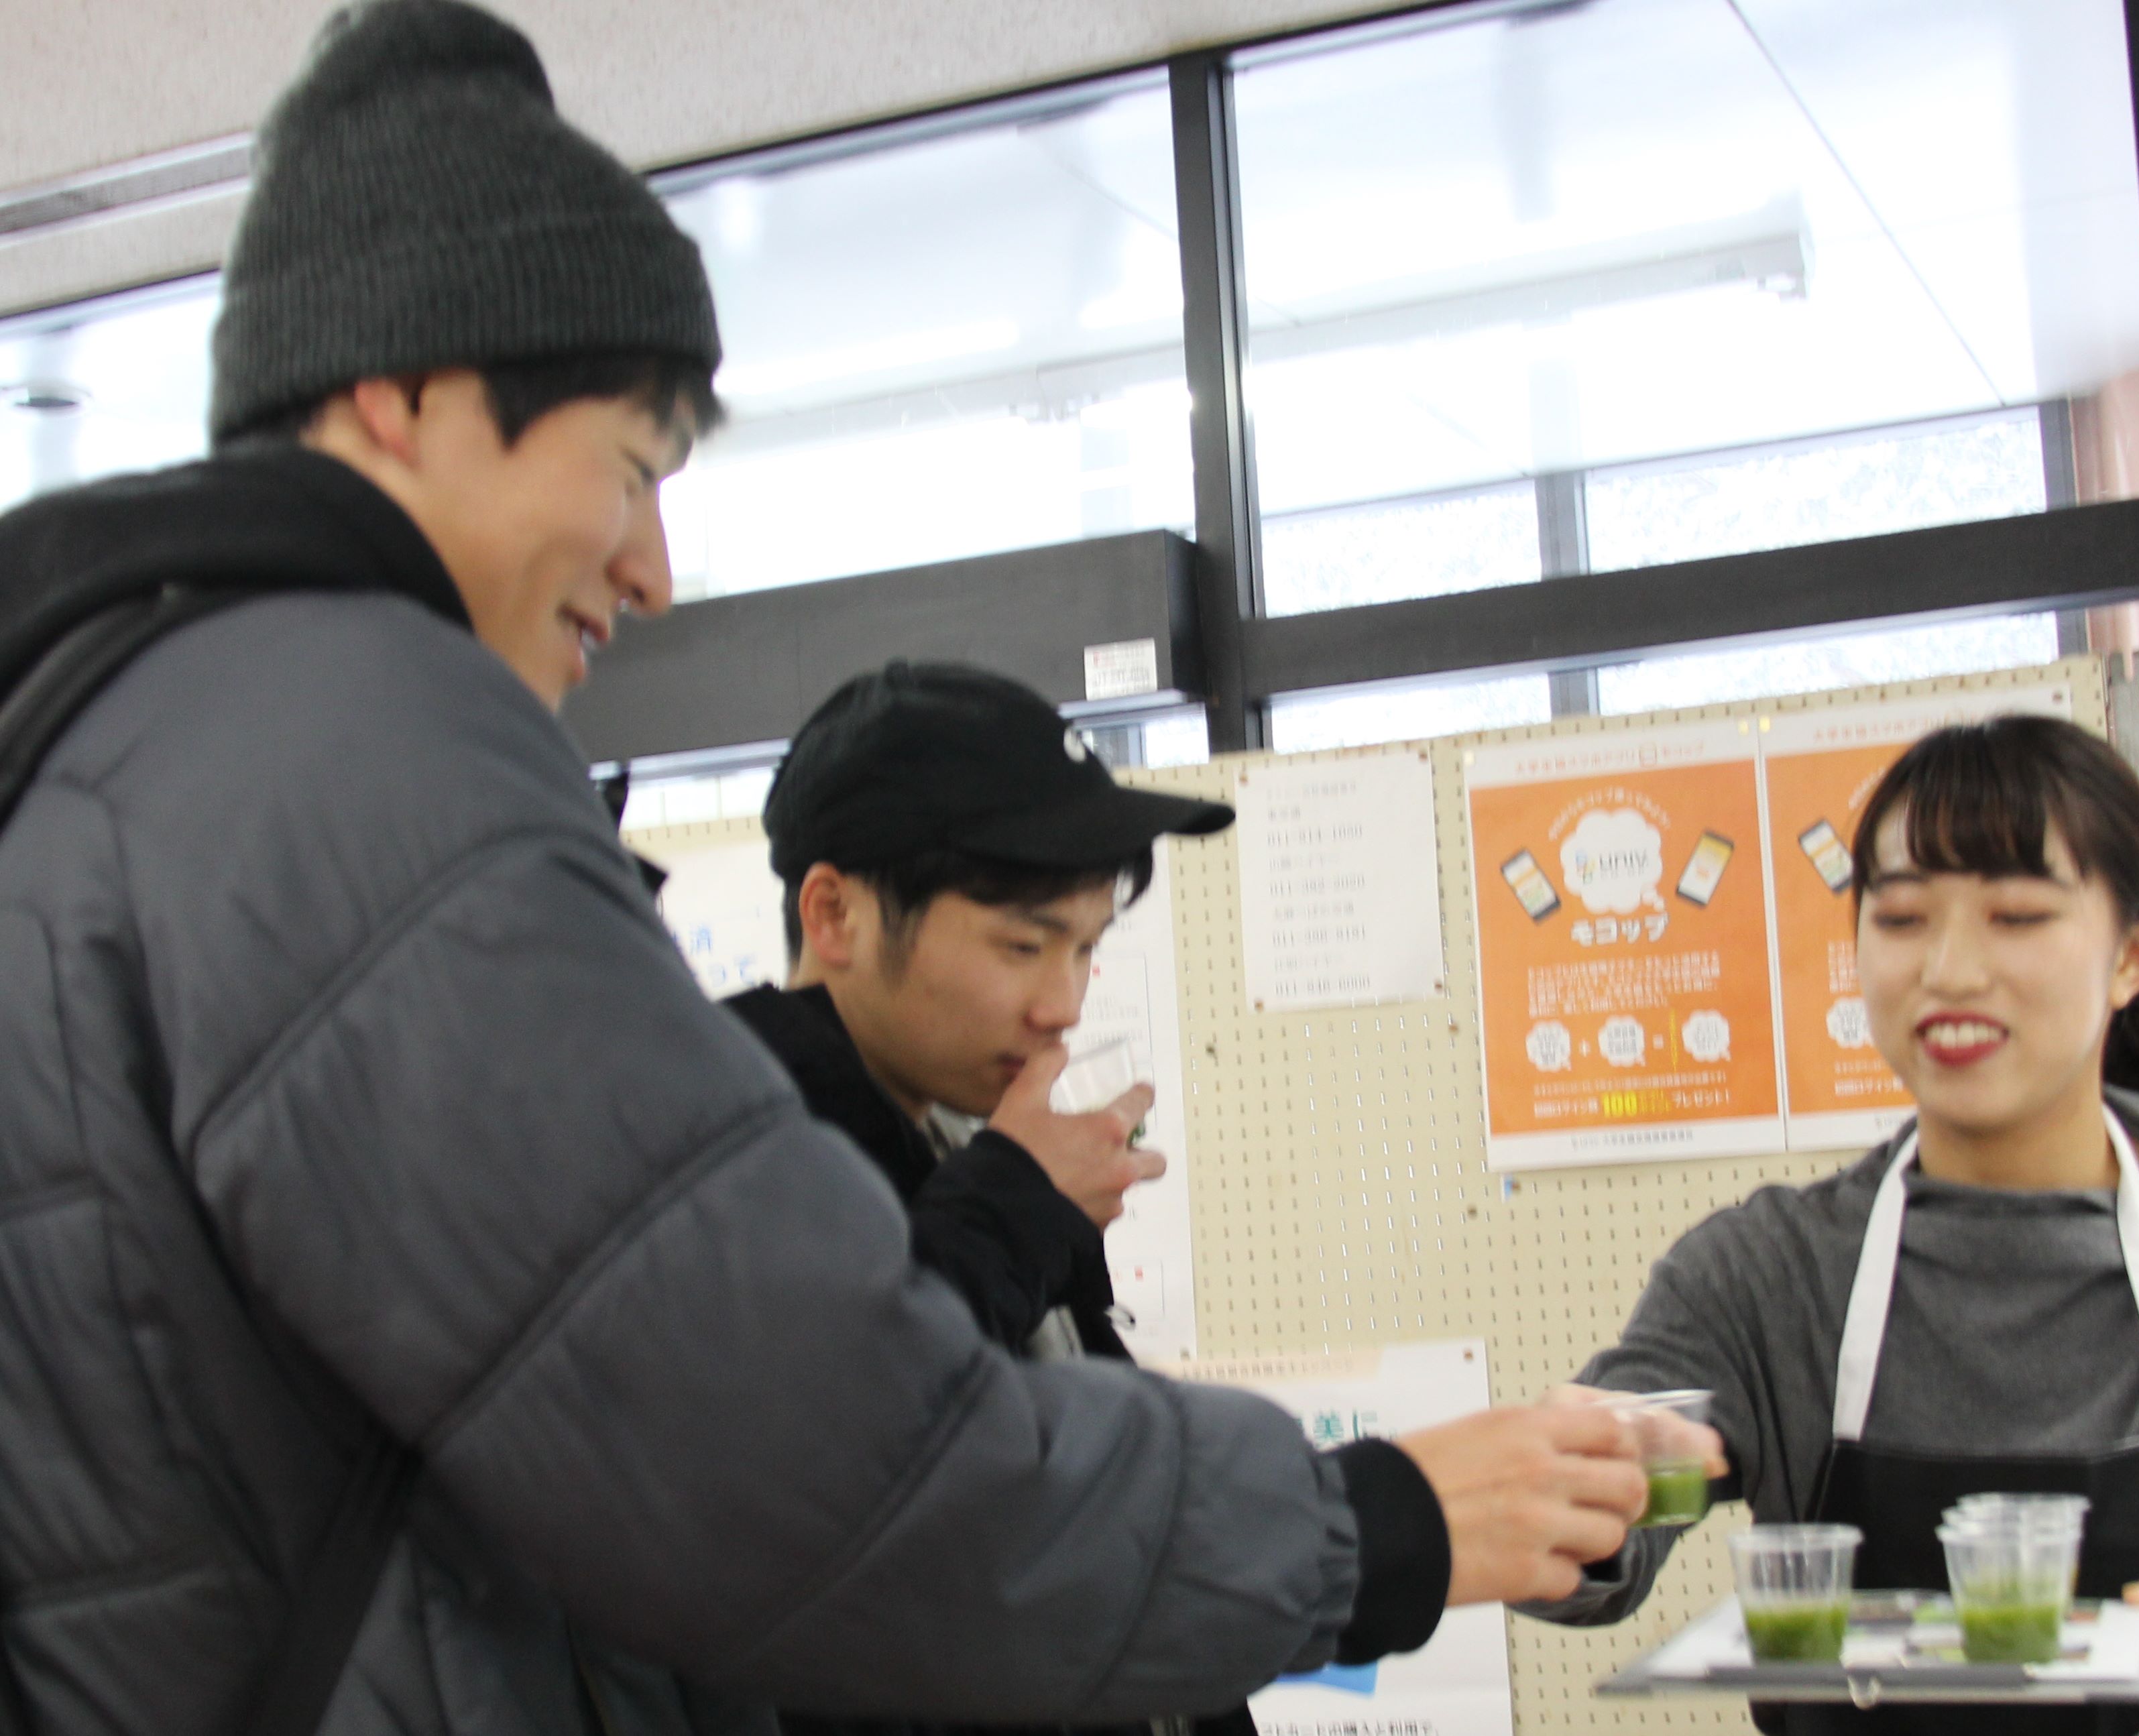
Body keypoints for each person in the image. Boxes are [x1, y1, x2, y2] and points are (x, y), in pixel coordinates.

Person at [0, 5, 1654, 1733]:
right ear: (404, 393)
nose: (652, 571)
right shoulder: (364, 762)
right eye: (631, 469)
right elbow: (807, 1462)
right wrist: (1375, 1521)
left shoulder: (107, 753)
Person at [1522, 715, 2139, 1734]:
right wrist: (1571, 1491)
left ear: (2134, 956)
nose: (1949, 969)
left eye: (2017, 915)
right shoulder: (1768, 1273)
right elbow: (1585, 1560)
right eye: (1900, 918)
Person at [722, 658, 1249, 1736]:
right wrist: (1015, 1212)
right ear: (835, 914)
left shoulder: (973, 1140)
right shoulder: (722, 1150)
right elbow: (824, 1467)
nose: (1064, 1003)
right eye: (1023, 944)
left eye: (1087, 948)